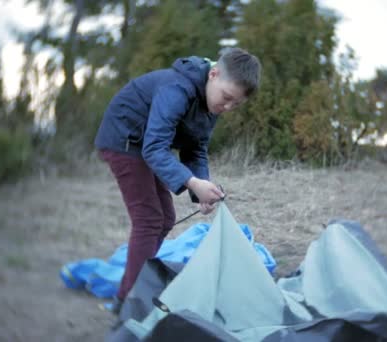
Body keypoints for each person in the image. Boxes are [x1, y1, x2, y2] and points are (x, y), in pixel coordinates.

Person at [94, 47, 261, 312]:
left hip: (145, 145)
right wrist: (192, 183)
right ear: (214, 74)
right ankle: (130, 301)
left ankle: (139, 284)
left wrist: (200, 193)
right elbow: (154, 147)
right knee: (149, 219)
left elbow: (196, 149)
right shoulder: (178, 88)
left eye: (236, 104)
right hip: (124, 138)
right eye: (227, 97)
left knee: (165, 219)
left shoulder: (211, 104)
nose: (227, 107)